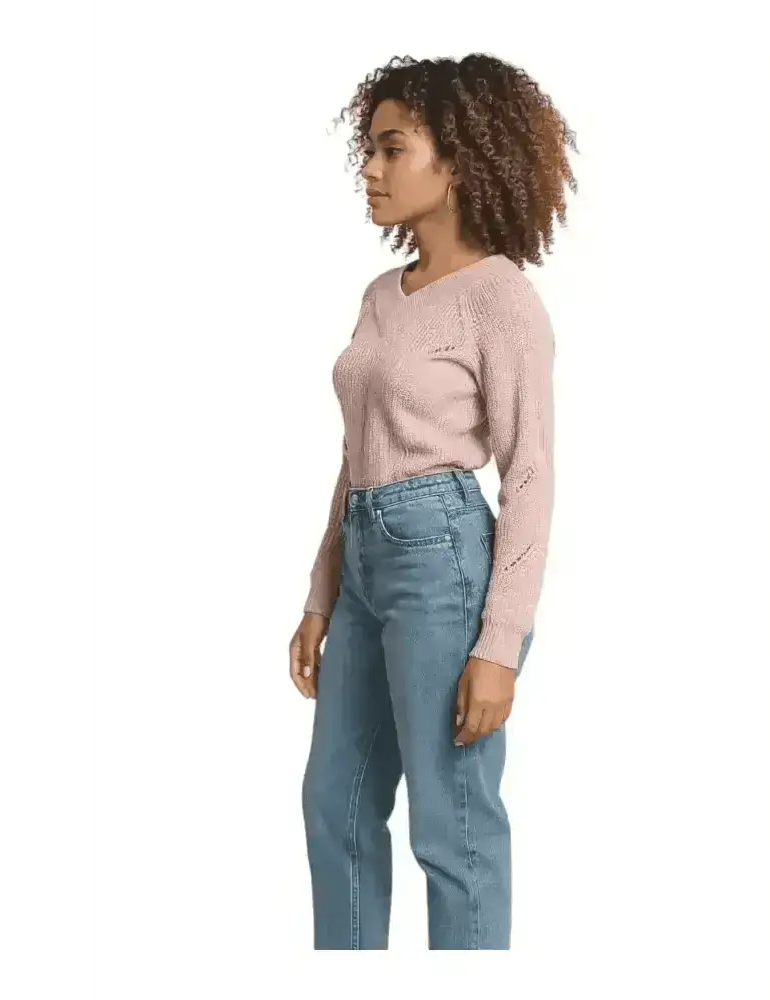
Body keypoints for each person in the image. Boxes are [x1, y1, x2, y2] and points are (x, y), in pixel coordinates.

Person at [289, 53, 577, 950]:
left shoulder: (502, 300)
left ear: (456, 161)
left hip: (442, 560)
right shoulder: (382, 296)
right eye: (369, 150)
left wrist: (500, 646)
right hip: (365, 559)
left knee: (450, 827)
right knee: (333, 804)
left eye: (392, 149)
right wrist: (320, 594)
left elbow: (530, 474)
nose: (371, 170)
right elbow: (355, 456)